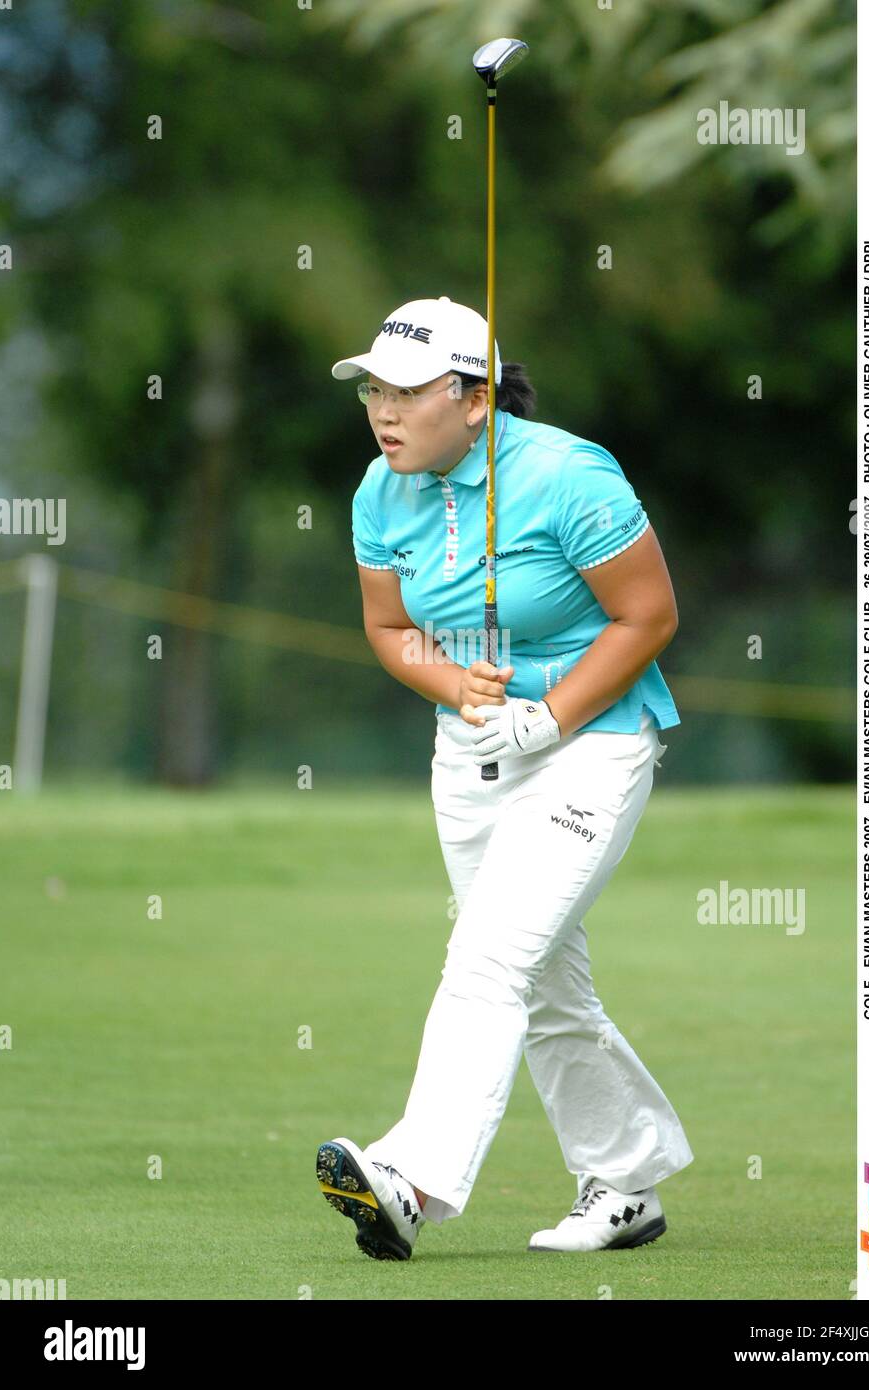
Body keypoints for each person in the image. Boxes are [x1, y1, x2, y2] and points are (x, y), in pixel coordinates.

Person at [316, 295, 693, 1260]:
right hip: (470, 752)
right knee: (543, 984)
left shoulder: (569, 473)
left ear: (473, 397)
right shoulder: (377, 488)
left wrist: (550, 711)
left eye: (406, 392)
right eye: (372, 392)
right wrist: (455, 683)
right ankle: (626, 1180)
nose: (383, 412)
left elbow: (646, 616)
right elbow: (390, 629)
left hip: (593, 742)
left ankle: (412, 1177)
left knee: (488, 958)